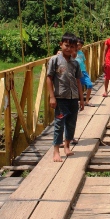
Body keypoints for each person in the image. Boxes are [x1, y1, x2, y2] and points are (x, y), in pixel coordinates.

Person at [47, 32, 84, 162]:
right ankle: (56, 151)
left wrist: (82, 99)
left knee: (71, 123)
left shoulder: (75, 63)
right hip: (61, 98)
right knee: (59, 124)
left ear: (75, 48)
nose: (68, 48)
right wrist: (52, 97)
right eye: (66, 45)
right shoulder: (55, 60)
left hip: (73, 98)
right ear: (61, 45)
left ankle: (67, 145)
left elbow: (78, 81)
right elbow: (49, 78)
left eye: (72, 46)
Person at [75, 38, 94, 106]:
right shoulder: (71, 53)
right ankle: (77, 102)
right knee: (76, 87)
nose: (78, 46)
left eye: (80, 45)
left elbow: (83, 62)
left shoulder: (81, 53)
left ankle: (87, 101)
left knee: (89, 85)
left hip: (83, 72)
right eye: (77, 45)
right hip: (75, 73)